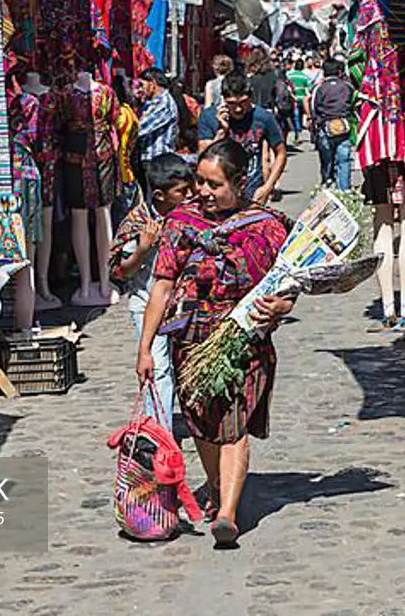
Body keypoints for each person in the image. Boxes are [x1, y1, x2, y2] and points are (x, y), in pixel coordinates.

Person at [137, 140, 295, 548]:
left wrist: (282, 304)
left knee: (233, 423)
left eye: (213, 184)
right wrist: (145, 347)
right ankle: (216, 483)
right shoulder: (181, 224)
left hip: (245, 340)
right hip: (191, 340)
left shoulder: (268, 226)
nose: (202, 192)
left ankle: (227, 511)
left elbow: (293, 280)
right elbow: (163, 285)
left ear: (239, 184)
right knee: (203, 422)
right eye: (199, 183)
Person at [109, 153, 195, 427]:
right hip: (147, 305)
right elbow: (120, 271)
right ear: (159, 194)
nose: (189, 195)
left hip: (186, 305)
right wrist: (144, 248)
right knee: (158, 370)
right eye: (181, 191)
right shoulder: (138, 222)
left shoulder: (191, 215)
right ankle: (161, 435)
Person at [197, 72, 287, 205]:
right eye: (232, 103)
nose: (238, 109)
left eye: (243, 102)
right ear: (223, 99)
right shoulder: (209, 117)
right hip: (218, 197)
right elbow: (203, 157)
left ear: (251, 97)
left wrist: (267, 187)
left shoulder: (263, 117)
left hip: (252, 195)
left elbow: (280, 152)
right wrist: (222, 130)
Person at [309, 59, 355, 190]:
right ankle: (345, 191)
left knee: (327, 161)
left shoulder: (319, 88)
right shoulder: (347, 87)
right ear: (339, 72)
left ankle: (327, 186)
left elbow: (315, 108)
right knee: (344, 161)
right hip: (343, 126)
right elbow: (353, 105)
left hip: (325, 127)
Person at [136, 68, 179, 196]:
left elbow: (141, 128)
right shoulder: (153, 103)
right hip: (150, 160)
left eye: (142, 85)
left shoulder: (164, 103)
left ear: (152, 84)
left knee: (154, 199)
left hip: (156, 160)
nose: (140, 89)